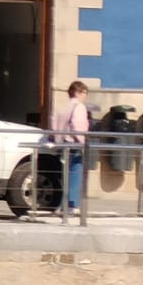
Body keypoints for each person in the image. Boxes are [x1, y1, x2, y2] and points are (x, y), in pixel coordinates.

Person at [54, 80, 90, 217]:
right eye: (84, 93)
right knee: (75, 174)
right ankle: (72, 204)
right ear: (78, 92)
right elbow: (78, 126)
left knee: (65, 175)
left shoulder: (61, 106)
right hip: (74, 144)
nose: (85, 96)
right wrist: (83, 143)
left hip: (61, 144)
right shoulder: (79, 106)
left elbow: (53, 125)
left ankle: (61, 205)